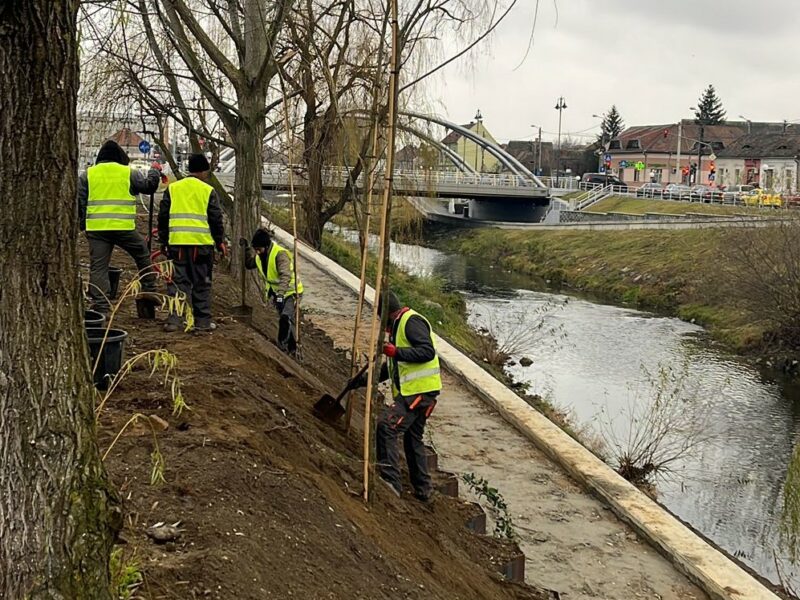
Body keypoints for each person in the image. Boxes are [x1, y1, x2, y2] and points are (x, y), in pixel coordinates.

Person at [357, 291, 442, 502]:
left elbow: (426, 352)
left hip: (418, 392)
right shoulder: (398, 327)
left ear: (388, 314)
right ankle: (424, 491)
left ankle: (391, 484)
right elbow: (396, 366)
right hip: (416, 391)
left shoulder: (411, 322)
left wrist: (396, 352)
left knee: (387, 426)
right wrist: (367, 379)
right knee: (413, 439)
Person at [77, 140, 162, 314]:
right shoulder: (128, 172)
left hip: (97, 229)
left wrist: (82, 224)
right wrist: (154, 172)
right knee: (142, 254)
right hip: (123, 227)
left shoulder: (87, 174)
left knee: (98, 266)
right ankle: (149, 288)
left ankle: (101, 304)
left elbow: (80, 202)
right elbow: (149, 187)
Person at [158, 153, 226, 333]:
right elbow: (216, 219)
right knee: (202, 283)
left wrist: (163, 241)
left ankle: (175, 321)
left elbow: (163, 217)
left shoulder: (173, 189)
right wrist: (220, 242)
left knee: (177, 283)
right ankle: (202, 323)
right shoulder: (208, 190)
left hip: (177, 244)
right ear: (203, 171)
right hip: (201, 246)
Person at [245, 229, 303, 354]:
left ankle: (284, 347)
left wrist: (281, 294)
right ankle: (290, 347)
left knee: (286, 317)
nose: (257, 252)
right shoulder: (260, 256)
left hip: (290, 292)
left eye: (258, 249)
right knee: (284, 319)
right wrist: (246, 250)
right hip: (276, 293)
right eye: (255, 249)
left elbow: (285, 276)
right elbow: (249, 264)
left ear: (266, 246)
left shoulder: (280, 254)